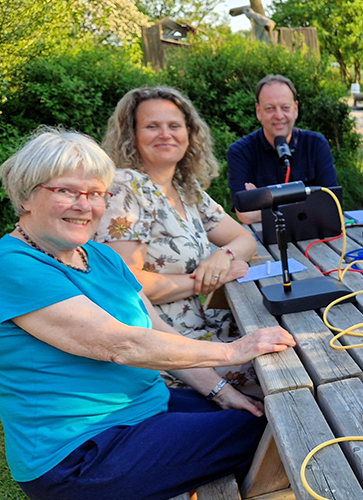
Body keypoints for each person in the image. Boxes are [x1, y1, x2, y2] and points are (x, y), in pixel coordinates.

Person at [0, 128, 296, 500]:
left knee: (267, 412)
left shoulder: (100, 256)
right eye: (66, 191)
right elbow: (118, 344)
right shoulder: (12, 265)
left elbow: (156, 329)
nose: (84, 205)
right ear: (25, 195)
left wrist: (220, 391)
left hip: (146, 409)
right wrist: (233, 351)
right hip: (80, 454)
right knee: (279, 429)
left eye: (95, 193)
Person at [95, 87, 261, 394]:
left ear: (189, 133)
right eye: (152, 126)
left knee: (288, 339)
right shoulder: (125, 189)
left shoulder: (186, 188)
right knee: (278, 370)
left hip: (206, 329)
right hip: (168, 350)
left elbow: (243, 238)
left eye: (174, 125)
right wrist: (205, 280)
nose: (165, 134)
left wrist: (222, 257)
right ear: (131, 135)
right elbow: (127, 285)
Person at [227, 74, 338, 224]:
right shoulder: (240, 152)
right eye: (270, 108)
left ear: (295, 109)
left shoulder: (316, 144)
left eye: (285, 107)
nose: (279, 116)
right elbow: (246, 215)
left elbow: (331, 203)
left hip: (314, 234)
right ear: (258, 112)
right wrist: (306, 205)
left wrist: (263, 203)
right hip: (263, 237)